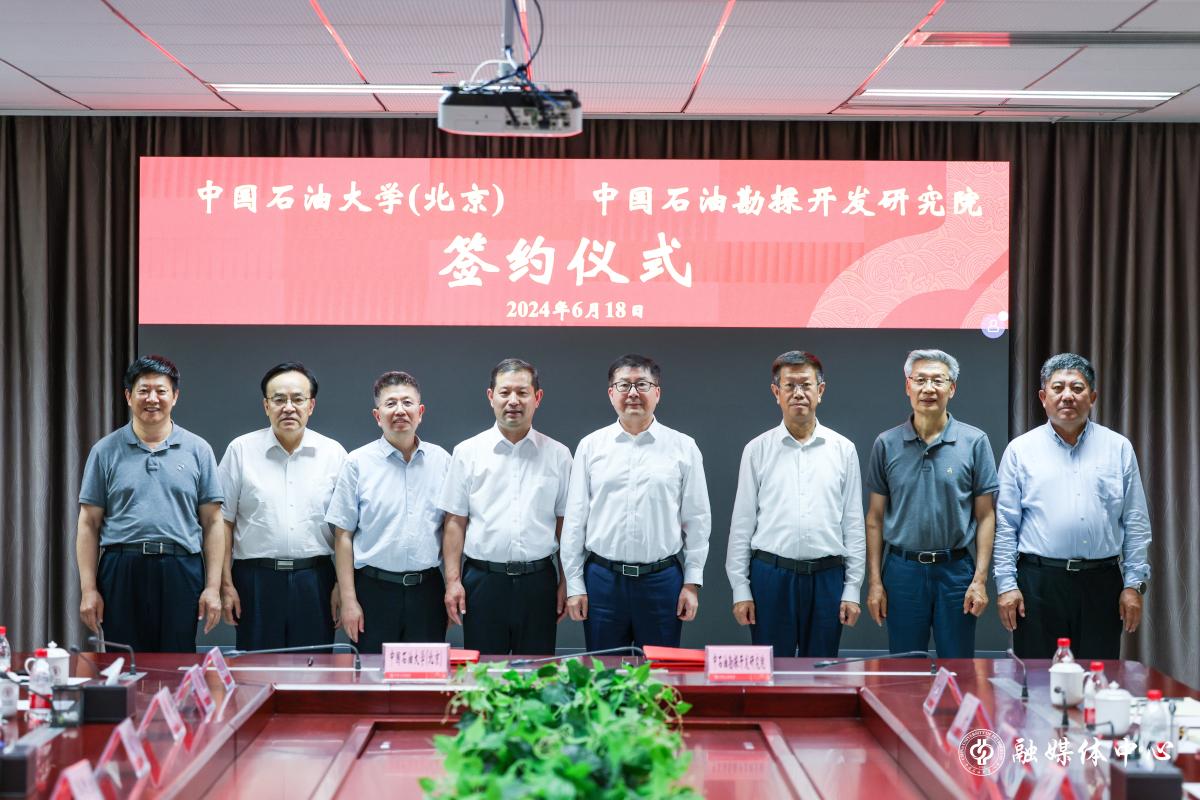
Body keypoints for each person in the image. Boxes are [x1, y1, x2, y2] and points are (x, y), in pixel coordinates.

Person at [994, 353, 1151, 659]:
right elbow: (1005, 525)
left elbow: (1135, 521)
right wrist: (1006, 585)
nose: (1067, 395)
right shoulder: (1020, 451)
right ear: (1043, 397)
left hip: (1101, 583)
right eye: (1058, 388)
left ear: (1092, 397)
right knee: (1039, 677)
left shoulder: (1118, 447)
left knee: (1097, 675)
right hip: (1038, 583)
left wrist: (1133, 585)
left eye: (1077, 388)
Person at [561, 354, 711, 651]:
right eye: (624, 385)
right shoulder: (591, 446)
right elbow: (575, 520)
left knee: (661, 672)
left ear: (657, 392)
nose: (632, 393)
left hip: (662, 581)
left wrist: (692, 583)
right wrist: (575, 585)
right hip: (602, 581)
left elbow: (697, 521)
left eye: (642, 384)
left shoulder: (683, 447)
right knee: (602, 671)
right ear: (611, 393)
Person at [76, 355, 224, 652]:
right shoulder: (105, 451)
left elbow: (213, 522)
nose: (152, 399)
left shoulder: (198, 450)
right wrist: (88, 589)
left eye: (161, 391)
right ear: (128, 396)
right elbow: (88, 524)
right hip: (122, 568)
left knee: (176, 661)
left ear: (175, 396)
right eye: (143, 390)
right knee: (124, 661)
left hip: (181, 568)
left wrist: (212, 587)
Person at [725, 350, 865, 658]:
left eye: (806, 385)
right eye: (789, 385)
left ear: (820, 390)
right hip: (771, 577)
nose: (798, 393)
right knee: (773, 671)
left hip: (828, 577)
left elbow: (853, 524)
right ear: (776, 392)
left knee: (822, 672)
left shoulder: (843, 449)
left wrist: (852, 589)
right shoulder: (757, 450)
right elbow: (742, 524)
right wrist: (740, 589)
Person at [863, 349, 998, 658]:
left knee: (958, 666)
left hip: (955, 571)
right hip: (902, 571)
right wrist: (875, 582)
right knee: (905, 668)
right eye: (920, 380)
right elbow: (875, 518)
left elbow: (986, 516)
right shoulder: (886, 443)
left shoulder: (975, 442)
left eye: (938, 380)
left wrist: (979, 580)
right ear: (907, 386)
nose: (928, 388)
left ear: (952, 388)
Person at [440, 358, 573, 655]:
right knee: (485, 674)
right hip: (483, 582)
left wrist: (568, 581)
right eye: (505, 392)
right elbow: (455, 521)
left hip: (539, 582)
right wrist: (452, 581)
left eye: (522, 392)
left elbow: (565, 525)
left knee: (539, 673)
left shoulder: (559, 455)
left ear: (537, 397)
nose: (513, 401)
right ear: (491, 397)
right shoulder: (467, 452)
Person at [217, 362, 347, 651]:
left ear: (311, 405)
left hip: (316, 580)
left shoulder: (334, 454)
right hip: (255, 580)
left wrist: (342, 586)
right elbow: (223, 523)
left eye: (298, 399)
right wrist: (225, 585)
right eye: (279, 399)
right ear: (266, 406)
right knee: (256, 667)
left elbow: (344, 530)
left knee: (313, 668)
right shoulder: (241, 451)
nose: (288, 407)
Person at [324, 371, 451, 654]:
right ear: (377, 415)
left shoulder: (442, 461)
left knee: (426, 676)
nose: (400, 410)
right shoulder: (357, 463)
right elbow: (343, 536)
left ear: (420, 412)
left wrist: (452, 586)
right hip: (373, 592)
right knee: (371, 674)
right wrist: (349, 600)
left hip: (427, 591)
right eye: (390, 403)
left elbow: (452, 529)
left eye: (407, 402)